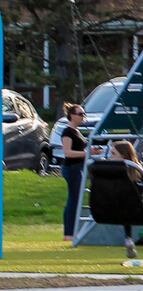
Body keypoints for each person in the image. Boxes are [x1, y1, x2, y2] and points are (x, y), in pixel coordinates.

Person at [107, 140, 143, 260]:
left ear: (123, 155)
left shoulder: (106, 170)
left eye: (113, 153)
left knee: (127, 203)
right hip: (131, 211)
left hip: (110, 210)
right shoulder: (137, 171)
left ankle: (128, 238)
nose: (110, 156)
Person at [59, 102, 88, 242]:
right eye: (80, 114)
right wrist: (86, 154)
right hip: (72, 168)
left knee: (76, 200)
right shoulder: (67, 132)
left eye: (84, 114)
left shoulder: (77, 131)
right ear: (71, 116)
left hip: (78, 168)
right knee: (73, 200)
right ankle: (68, 234)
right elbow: (68, 153)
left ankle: (72, 232)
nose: (83, 116)